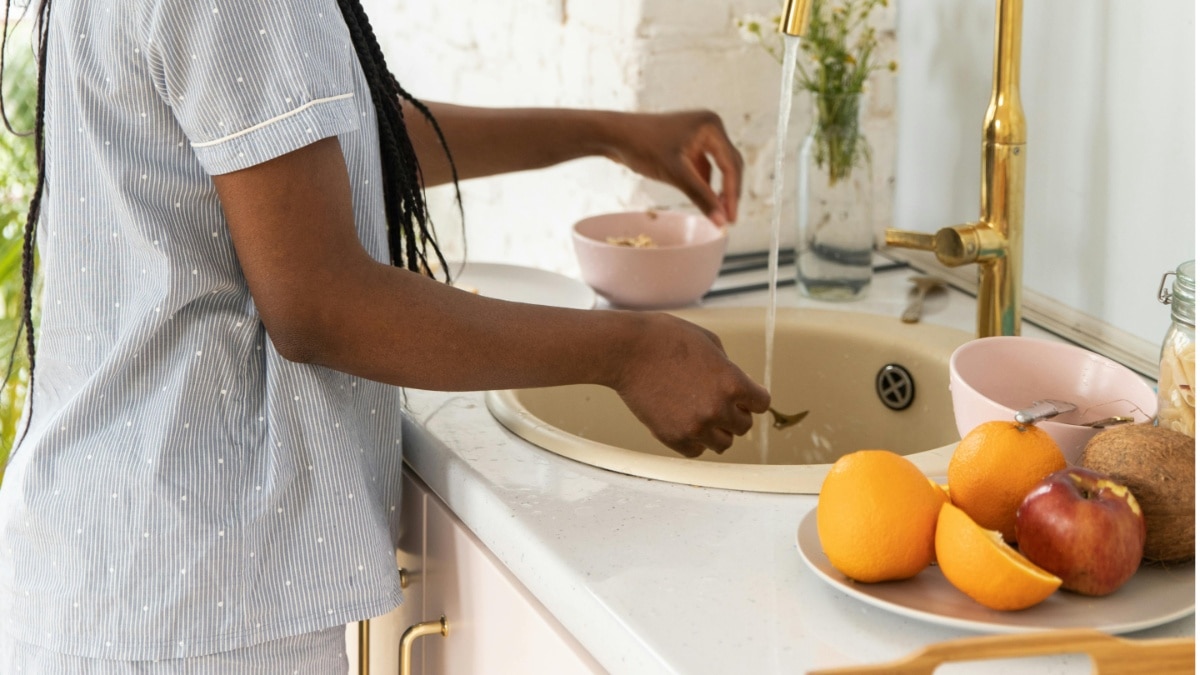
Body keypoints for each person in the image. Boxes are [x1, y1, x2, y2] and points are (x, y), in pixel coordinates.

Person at [0, 0, 771, 672]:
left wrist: (604, 133)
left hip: (130, 576)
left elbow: (315, 143)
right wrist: (627, 352)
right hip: (188, 599)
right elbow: (321, 305)